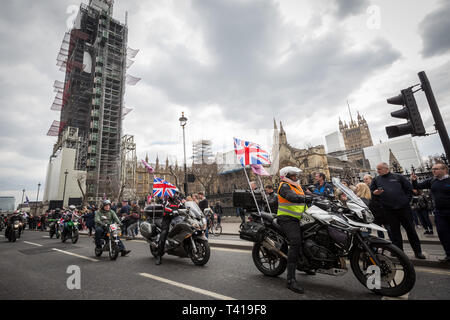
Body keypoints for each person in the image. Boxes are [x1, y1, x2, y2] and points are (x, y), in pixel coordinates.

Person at [370, 162, 425, 259]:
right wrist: (375, 194)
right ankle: (398, 253)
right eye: (377, 169)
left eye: (379, 169)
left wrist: (406, 201)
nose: (377, 171)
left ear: (386, 168)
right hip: (388, 210)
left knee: (411, 230)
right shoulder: (376, 180)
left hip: (403, 209)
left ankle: (418, 252)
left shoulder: (399, 177)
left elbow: (409, 189)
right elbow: (372, 193)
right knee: (395, 233)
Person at [277, 166, 315, 294]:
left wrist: (323, 197)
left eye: (295, 175)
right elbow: (291, 197)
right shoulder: (284, 186)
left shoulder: (297, 186)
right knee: (295, 242)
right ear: (286, 176)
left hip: (301, 217)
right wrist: (306, 198)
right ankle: (290, 280)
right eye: (293, 175)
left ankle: (306, 264)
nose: (295, 177)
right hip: (287, 219)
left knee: (312, 234)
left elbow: (310, 194)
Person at [411, 162, 450, 262]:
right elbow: (418, 186)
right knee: (442, 233)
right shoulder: (432, 181)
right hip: (439, 212)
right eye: (433, 169)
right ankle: (448, 254)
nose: (434, 171)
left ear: (444, 169)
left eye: (436, 169)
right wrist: (414, 181)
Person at [155, 195, 182, 265]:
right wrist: (172, 211)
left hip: (176, 218)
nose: (174, 194)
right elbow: (165, 207)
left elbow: (182, 206)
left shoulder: (177, 200)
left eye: (175, 193)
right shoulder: (166, 200)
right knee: (164, 233)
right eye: (173, 193)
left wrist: (188, 209)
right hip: (167, 218)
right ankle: (159, 255)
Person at [362, 175, 391, 240]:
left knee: (388, 228)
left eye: (366, 179)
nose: (365, 180)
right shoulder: (364, 188)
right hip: (374, 211)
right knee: (379, 229)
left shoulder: (376, 186)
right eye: (364, 179)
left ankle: (393, 242)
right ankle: (382, 243)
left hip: (382, 210)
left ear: (371, 179)